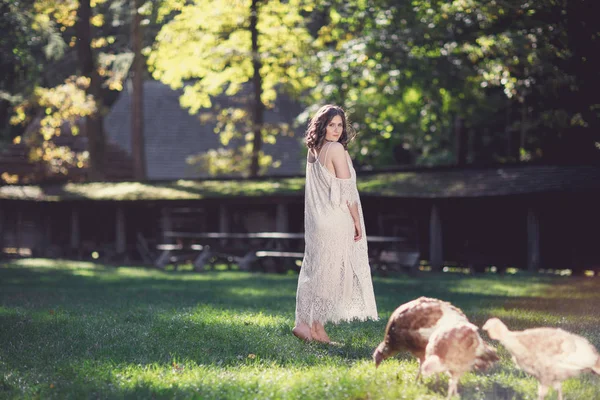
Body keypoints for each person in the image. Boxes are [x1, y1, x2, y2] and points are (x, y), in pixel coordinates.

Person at [292, 104, 378, 343]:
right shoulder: (336, 149)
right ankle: (318, 329)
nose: (337, 129)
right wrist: (357, 221)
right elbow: (346, 189)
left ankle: (302, 324)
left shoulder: (313, 150)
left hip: (316, 222)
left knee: (313, 271)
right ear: (322, 125)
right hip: (336, 220)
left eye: (340, 125)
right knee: (331, 276)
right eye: (332, 125)